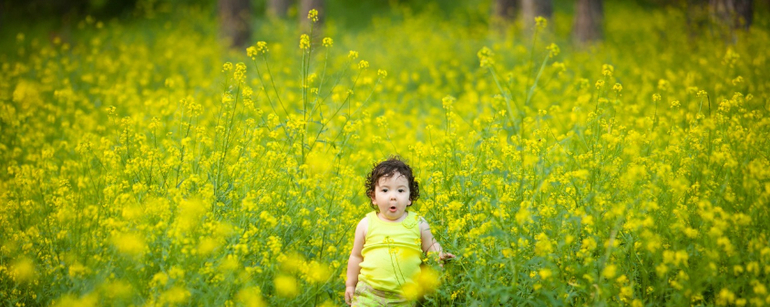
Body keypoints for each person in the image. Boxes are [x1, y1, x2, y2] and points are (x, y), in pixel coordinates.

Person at [345, 157, 455, 306]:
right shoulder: (366, 224)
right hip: (368, 293)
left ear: (409, 198)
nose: (393, 196)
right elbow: (356, 257)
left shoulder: (418, 223)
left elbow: (431, 246)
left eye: (400, 190)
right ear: (373, 197)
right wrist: (350, 285)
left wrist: (439, 256)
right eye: (385, 190)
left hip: (404, 296)